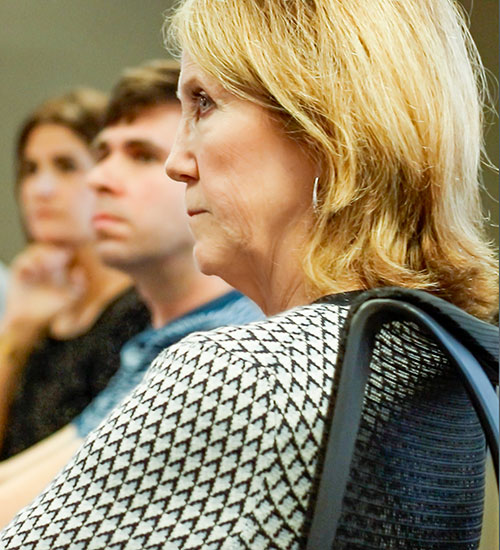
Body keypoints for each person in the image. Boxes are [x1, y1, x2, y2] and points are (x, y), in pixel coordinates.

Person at [1, 0, 497, 547]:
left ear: (324, 127)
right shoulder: (436, 351)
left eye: (204, 104)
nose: (177, 161)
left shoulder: (239, 371)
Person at [0, 59, 263, 527]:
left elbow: (54, 518)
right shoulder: (153, 342)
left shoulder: (230, 344)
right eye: (102, 154)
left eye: (141, 155)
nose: (98, 179)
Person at [0, 89, 150, 460]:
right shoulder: (40, 302)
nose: (40, 189)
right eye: (30, 169)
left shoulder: (141, 311)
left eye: (66, 165)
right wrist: (18, 329)